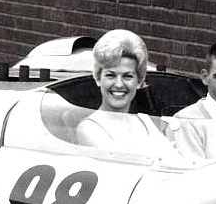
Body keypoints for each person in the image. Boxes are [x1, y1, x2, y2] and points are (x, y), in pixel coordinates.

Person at [75, 29, 179, 159]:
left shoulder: (145, 121)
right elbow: (121, 167)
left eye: (128, 76)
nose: (119, 84)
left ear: (139, 81)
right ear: (97, 78)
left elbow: (176, 163)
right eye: (111, 75)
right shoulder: (89, 128)